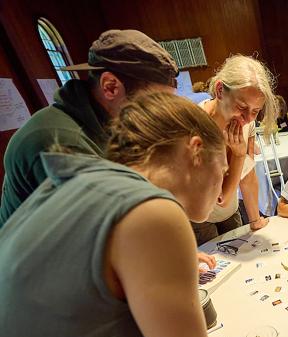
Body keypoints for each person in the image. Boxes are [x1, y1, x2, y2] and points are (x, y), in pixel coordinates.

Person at [0, 92, 288, 337]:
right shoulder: (152, 213)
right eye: (223, 168)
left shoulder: (77, 184)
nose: (221, 188)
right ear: (196, 150)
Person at [0, 29, 178, 227]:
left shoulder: (111, 123)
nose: (158, 115)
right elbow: (99, 230)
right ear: (110, 86)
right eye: (154, 102)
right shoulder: (58, 142)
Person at [195, 55, 276, 245]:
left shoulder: (245, 122)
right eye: (241, 107)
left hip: (231, 212)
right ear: (220, 90)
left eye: (255, 111)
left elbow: (247, 176)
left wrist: (255, 220)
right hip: (200, 220)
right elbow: (220, 197)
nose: (248, 118)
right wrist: (238, 155)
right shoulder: (196, 126)